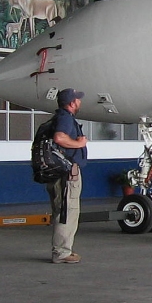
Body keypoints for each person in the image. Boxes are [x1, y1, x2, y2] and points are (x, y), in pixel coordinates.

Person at [50, 88, 88, 264]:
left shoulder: (59, 117)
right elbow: (59, 138)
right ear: (72, 103)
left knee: (63, 210)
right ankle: (62, 252)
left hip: (59, 174)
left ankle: (62, 250)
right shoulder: (65, 118)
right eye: (78, 99)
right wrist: (78, 143)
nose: (80, 102)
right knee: (68, 211)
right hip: (67, 175)